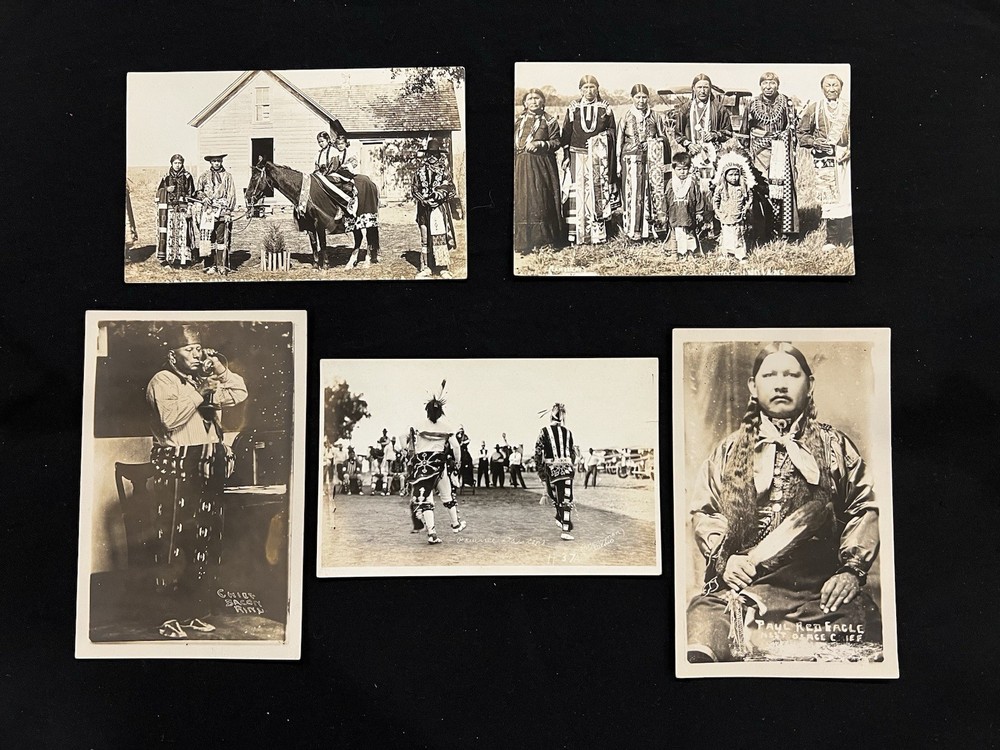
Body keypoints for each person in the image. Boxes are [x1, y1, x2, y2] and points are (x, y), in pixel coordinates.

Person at [686, 343, 880, 663]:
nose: (780, 383)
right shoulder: (727, 451)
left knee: (863, 629)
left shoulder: (835, 446)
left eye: (791, 374)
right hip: (745, 586)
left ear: (810, 384)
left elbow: (863, 508)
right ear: (753, 386)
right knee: (703, 628)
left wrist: (850, 571)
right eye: (770, 374)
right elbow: (706, 512)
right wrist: (726, 560)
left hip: (818, 592)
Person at [145, 325, 248, 638]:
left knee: (202, 542)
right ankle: (166, 617)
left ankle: (192, 613)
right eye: (190, 349)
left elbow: (239, 394)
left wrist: (221, 371)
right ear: (172, 356)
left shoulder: (201, 381)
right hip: (176, 467)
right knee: (173, 544)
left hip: (204, 464)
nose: (198, 354)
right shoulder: (162, 380)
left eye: (200, 349)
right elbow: (169, 420)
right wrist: (201, 390)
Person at [739, 72, 800, 239]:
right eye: (765, 83)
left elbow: (793, 127)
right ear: (760, 85)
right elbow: (744, 132)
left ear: (777, 85)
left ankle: (783, 230)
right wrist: (746, 154)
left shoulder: (786, 103)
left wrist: (787, 144)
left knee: (781, 189)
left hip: (781, 150)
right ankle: (762, 231)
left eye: (772, 83)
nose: (768, 86)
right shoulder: (752, 104)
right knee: (761, 189)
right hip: (759, 152)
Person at [797, 74, 853, 252]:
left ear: (841, 88)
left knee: (848, 196)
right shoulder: (815, 108)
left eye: (835, 85)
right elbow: (802, 133)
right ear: (822, 88)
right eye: (828, 85)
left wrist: (851, 150)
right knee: (830, 200)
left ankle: (850, 239)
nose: (831, 89)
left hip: (846, 156)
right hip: (825, 158)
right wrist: (814, 142)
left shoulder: (848, 107)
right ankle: (831, 239)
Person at [561, 74, 618, 246]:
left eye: (592, 87)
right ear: (580, 90)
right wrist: (565, 157)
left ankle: (598, 235)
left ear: (597, 88)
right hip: (576, 156)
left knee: (597, 193)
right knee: (578, 193)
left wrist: (599, 138)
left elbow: (612, 132)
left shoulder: (605, 109)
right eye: (585, 87)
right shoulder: (573, 108)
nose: (589, 90)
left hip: (598, 158)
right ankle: (576, 235)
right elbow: (566, 134)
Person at [674, 74, 734, 238]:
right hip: (692, 157)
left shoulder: (718, 108)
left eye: (706, 87)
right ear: (693, 88)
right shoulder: (685, 108)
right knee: (693, 189)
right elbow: (678, 133)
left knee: (713, 189)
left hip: (712, 158)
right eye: (699, 87)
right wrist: (688, 144)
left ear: (710, 89)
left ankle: (715, 228)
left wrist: (715, 135)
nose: (702, 90)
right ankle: (695, 227)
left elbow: (729, 132)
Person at [408, 382, 467, 544]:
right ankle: (455, 524)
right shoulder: (446, 426)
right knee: (447, 495)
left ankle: (432, 533)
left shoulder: (418, 425)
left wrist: (410, 452)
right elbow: (456, 446)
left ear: (427, 411)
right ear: (441, 412)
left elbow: (403, 438)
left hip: (422, 465)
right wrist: (458, 461)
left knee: (426, 498)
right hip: (439, 465)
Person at [314, 131, 381, 269]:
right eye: (319, 142)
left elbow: (338, 165)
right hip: (331, 174)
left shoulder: (340, 152)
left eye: (322, 141)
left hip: (344, 174)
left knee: (339, 185)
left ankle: (341, 207)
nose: (340, 146)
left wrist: (341, 168)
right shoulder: (321, 153)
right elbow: (319, 167)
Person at [514, 88, 566, 252]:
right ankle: (524, 243)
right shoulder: (519, 121)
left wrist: (540, 144)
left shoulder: (549, 121)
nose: (533, 101)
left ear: (543, 101)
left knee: (541, 199)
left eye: (537, 98)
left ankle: (544, 241)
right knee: (523, 200)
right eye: (530, 99)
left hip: (542, 166)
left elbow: (557, 142)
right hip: (521, 165)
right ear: (524, 102)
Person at [617, 83, 668, 242]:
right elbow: (619, 141)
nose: (641, 100)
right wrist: (618, 164)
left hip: (652, 161)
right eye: (638, 97)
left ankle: (653, 230)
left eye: (644, 97)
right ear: (632, 98)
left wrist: (653, 142)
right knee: (634, 194)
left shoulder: (655, 116)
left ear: (648, 98)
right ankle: (634, 231)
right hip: (631, 160)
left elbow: (664, 137)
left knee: (651, 193)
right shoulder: (625, 116)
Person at [412, 138, 458, 279]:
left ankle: (442, 267)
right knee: (425, 239)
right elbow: (414, 189)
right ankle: (426, 267)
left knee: (440, 238)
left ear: (439, 155)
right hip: (424, 210)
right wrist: (424, 200)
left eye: (435, 154)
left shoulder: (444, 171)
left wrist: (439, 197)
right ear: (426, 155)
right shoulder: (419, 171)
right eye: (429, 154)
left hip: (439, 209)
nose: (432, 157)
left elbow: (452, 190)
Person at [535, 403, 576, 541]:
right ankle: (564, 524)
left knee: (557, 497)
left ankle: (563, 522)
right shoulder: (568, 433)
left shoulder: (544, 431)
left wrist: (541, 473)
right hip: (567, 469)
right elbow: (572, 453)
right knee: (565, 498)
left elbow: (537, 453)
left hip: (551, 470)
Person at [195, 154, 237, 274]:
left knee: (221, 238)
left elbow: (231, 194)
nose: (217, 163)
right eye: (214, 161)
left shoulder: (228, 177)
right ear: (211, 162)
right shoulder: (204, 176)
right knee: (209, 238)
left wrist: (228, 211)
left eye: (219, 161)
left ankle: (221, 265)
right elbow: (198, 191)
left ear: (222, 161)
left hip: (222, 211)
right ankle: (210, 265)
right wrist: (203, 197)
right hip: (208, 212)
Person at [711, 151, 757, 261]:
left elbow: (750, 198)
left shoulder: (743, 188)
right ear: (725, 175)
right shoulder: (721, 188)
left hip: (738, 216)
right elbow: (715, 200)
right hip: (725, 216)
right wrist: (717, 211)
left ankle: (740, 255)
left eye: (736, 174)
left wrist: (746, 207)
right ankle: (726, 254)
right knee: (727, 235)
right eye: (730, 175)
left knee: (738, 235)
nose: (734, 178)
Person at [155, 154, 198, 267]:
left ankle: (183, 259)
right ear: (171, 164)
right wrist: (166, 190)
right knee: (170, 232)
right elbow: (159, 192)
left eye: (179, 163)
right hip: (169, 209)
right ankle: (169, 258)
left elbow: (191, 193)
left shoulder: (187, 176)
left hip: (183, 209)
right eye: (175, 163)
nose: (177, 165)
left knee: (183, 233)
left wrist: (189, 206)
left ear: (182, 164)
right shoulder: (166, 177)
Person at [665, 152, 707, 258]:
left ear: (689, 169)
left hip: (688, 214)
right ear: (674, 169)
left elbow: (698, 198)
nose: (682, 172)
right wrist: (663, 213)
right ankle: (676, 253)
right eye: (679, 169)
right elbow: (665, 199)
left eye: (685, 169)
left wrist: (699, 212)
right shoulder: (671, 183)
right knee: (675, 235)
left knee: (689, 234)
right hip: (675, 214)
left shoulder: (692, 183)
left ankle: (690, 252)